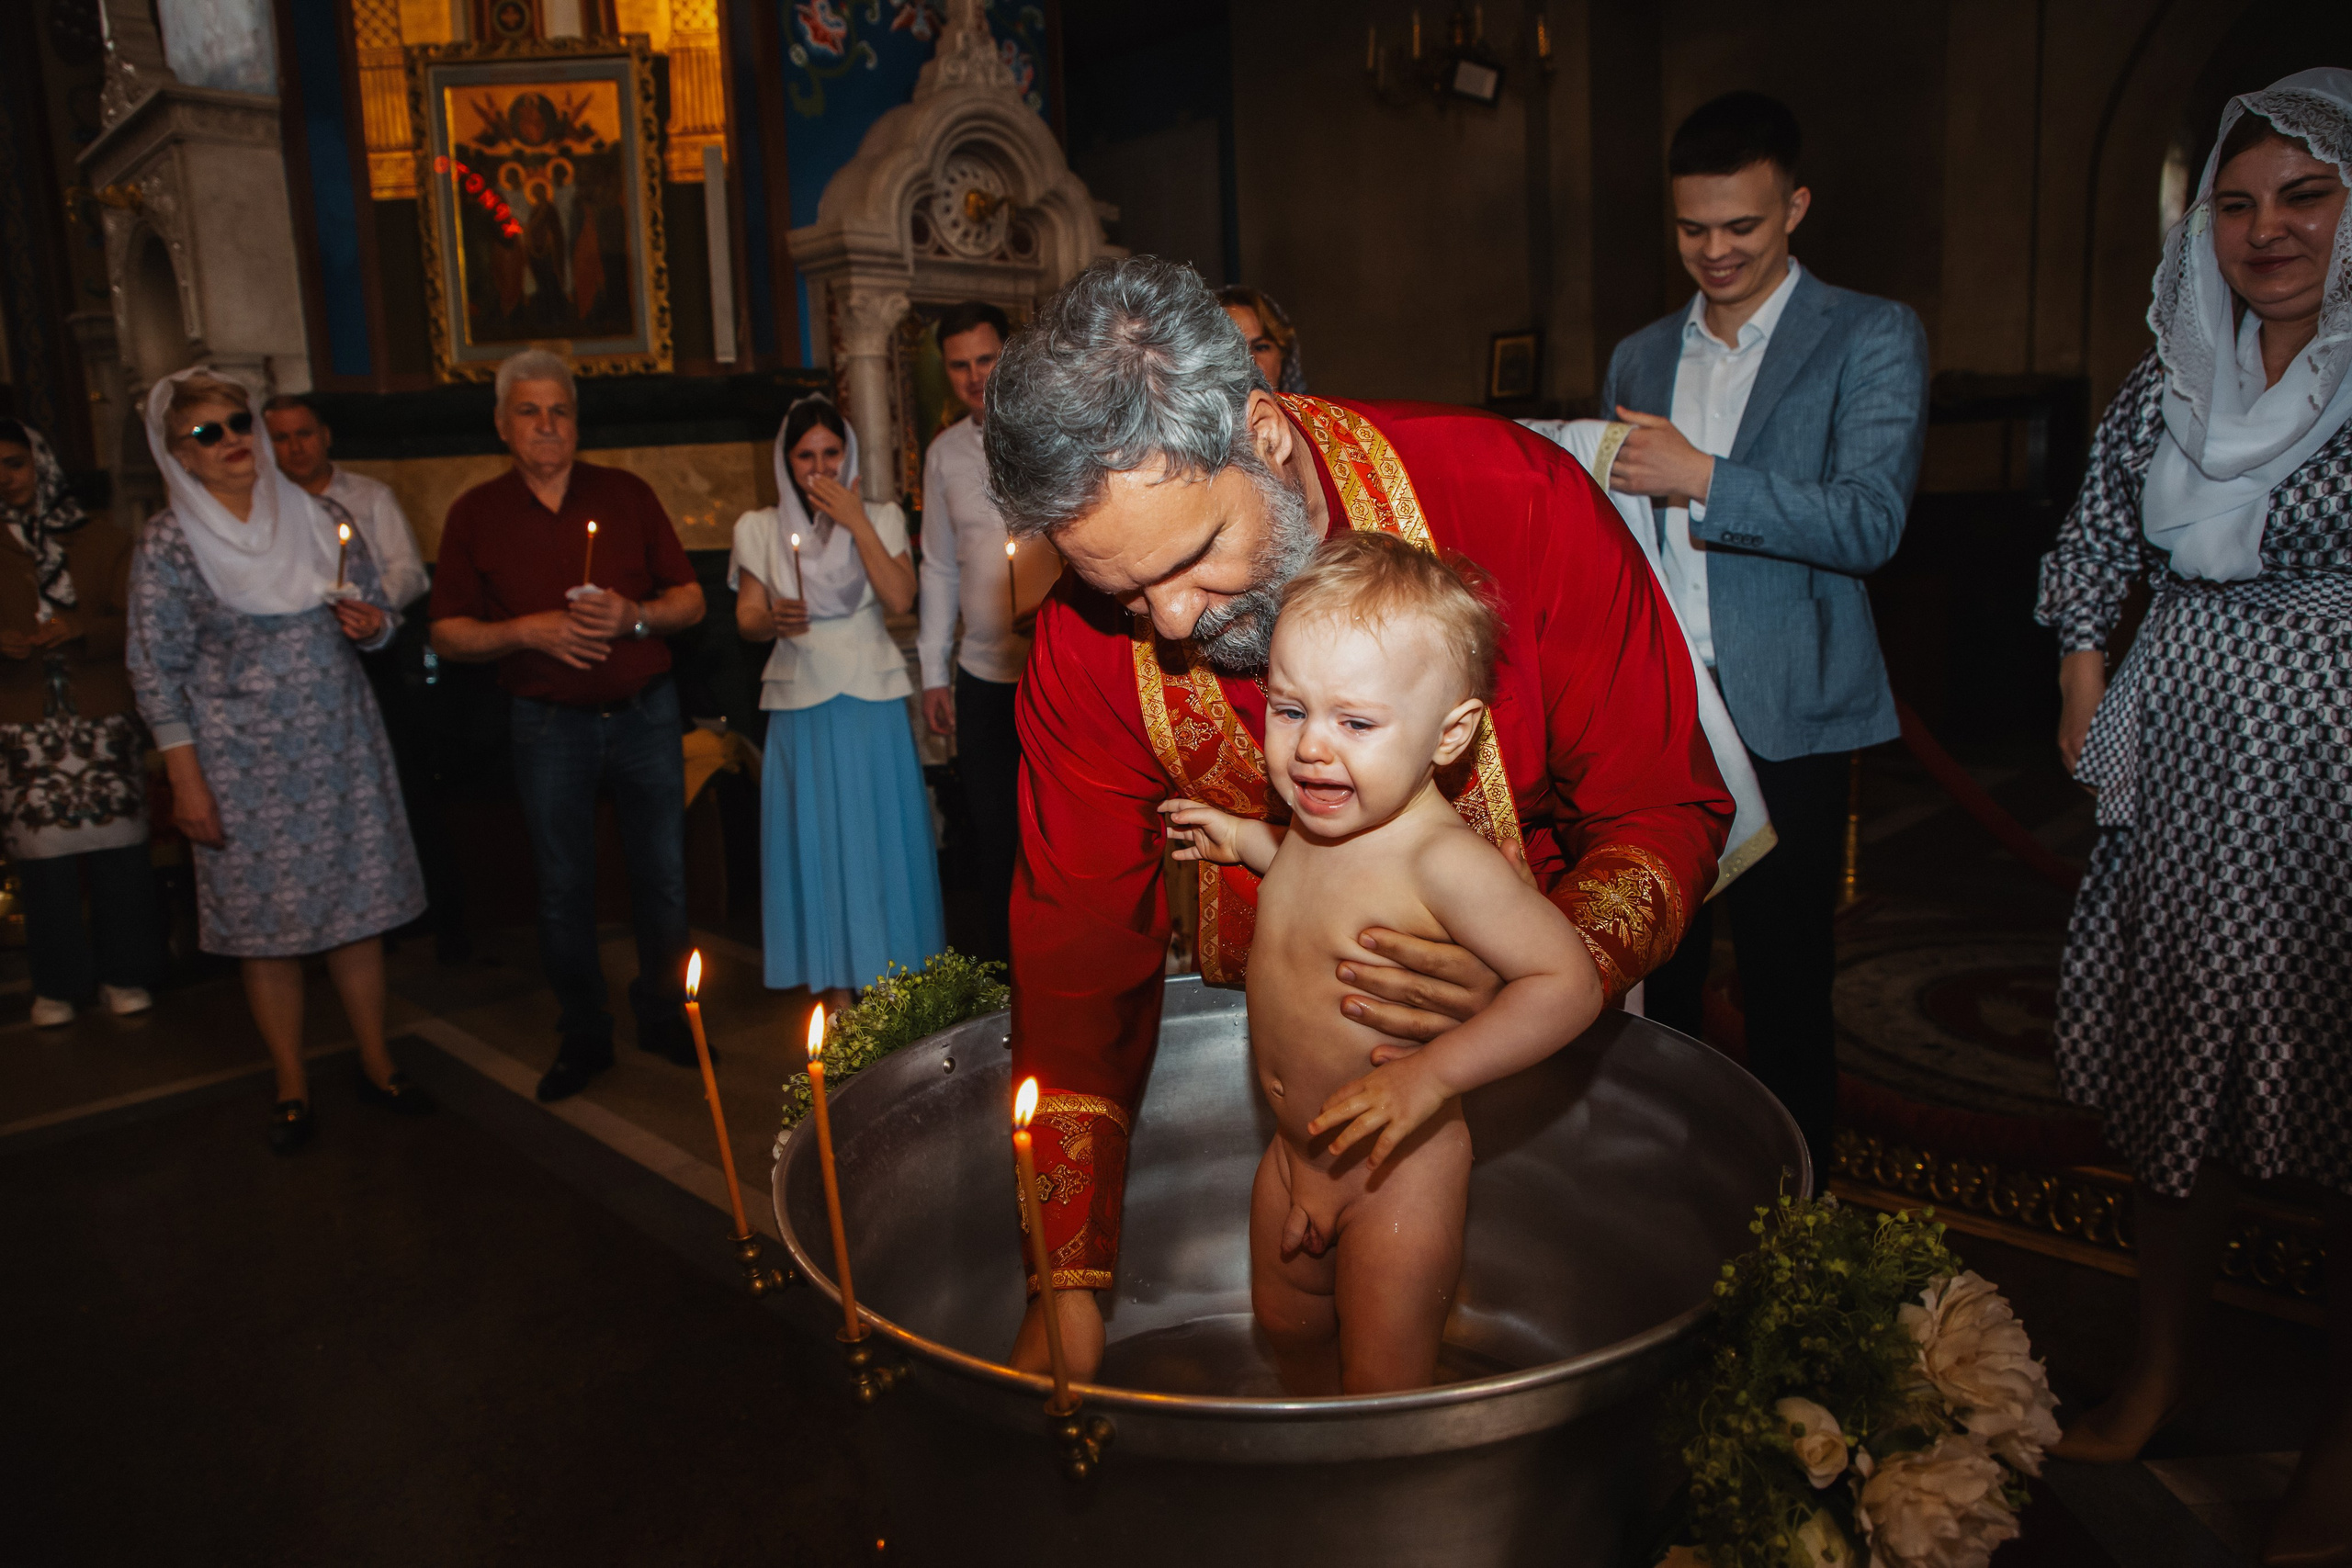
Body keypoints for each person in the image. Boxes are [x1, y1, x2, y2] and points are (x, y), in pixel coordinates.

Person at [984, 256, 1734, 1381]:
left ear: (1263, 432)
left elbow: (1662, 801)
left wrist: (1543, 966)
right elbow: (1075, 952)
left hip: (1523, 1061)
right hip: (1284, 1096)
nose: (1175, 622)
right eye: (1125, 592)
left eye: (1191, 558)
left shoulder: (1509, 503)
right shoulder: (1086, 648)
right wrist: (1070, 1277)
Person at [2036, 70, 2352, 1564]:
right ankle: (2159, 1370)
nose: (2267, 230)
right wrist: (2085, 673)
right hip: (2184, 742)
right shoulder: (2174, 373)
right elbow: (2098, 529)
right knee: (2180, 1064)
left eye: (2304, 195)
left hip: (2336, 750)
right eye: (2236, 202)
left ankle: (2341, 1451)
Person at [1162, 534, 1600, 1393]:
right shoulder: (1326, 820)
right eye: (1290, 711)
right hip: (1291, 1158)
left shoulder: (1441, 861)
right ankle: (1314, 1488)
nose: (1312, 749)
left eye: (1355, 722)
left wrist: (1431, 1075)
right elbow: (1309, 873)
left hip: (1398, 1178)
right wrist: (1250, 840)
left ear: (1450, 735)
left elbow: (1567, 983)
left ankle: (1390, 1510)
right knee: (1288, 1336)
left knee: (1383, 1382)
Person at [1598, 91, 1929, 1174]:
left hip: (1791, 706)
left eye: (1740, 226)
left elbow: (1869, 521)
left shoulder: (1869, 334)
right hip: (1664, 714)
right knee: (1664, 973)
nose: (1714, 251)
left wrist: (1703, 478)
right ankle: (1677, 1204)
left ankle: (1797, 1215)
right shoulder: (1639, 354)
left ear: (1793, 206)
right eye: (1692, 228)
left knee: (1787, 982)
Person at [126, 369, 430, 1153]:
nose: (233, 442)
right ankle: (291, 1079)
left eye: (238, 424)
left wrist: (372, 627)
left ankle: (377, 1058)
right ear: (180, 456)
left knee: (357, 913)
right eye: (209, 434)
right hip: (238, 761)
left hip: (338, 742)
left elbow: (376, 615)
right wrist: (184, 775)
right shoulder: (169, 544)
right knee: (267, 929)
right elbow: (154, 667)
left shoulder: (318, 514)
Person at [428, 349, 707, 1102]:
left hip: (646, 715)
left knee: (664, 877)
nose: (547, 424)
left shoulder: (626, 493)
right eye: (530, 410)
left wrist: (635, 614)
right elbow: (446, 633)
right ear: (501, 423)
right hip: (548, 725)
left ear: (577, 421)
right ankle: (585, 1026)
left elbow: (692, 600)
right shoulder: (475, 513)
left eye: (560, 410)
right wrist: (529, 630)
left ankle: (667, 1011)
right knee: (562, 886)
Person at [731, 397, 942, 1017]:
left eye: (831, 452)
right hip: (800, 695)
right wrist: (768, 617)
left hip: (870, 693)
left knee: (879, 836)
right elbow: (744, 615)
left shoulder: (878, 513)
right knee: (818, 840)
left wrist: (857, 521)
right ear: (786, 460)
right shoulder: (759, 527)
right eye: (805, 456)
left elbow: (901, 597)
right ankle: (837, 989)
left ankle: (894, 978)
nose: (819, 467)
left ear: (847, 452)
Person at [262, 394, 468, 961]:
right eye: (279, 438)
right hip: (299, 673)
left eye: (303, 433)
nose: (295, 447)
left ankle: (427, 918)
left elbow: (407, 571)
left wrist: (368, 605)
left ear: (325, 435)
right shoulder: (263, 509)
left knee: (401, 783)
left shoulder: (369, 497)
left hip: (375, 660)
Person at [0, 420, 164, 1025]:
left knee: (119, 853)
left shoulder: (103, 539)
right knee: (42, 863)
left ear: (40, 464)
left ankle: (126, 973)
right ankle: (58, 984)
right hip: (22, 722)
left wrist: (82, 630)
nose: (6, 478)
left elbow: (143, 623)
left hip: (100, 717)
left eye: (15, 463)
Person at [917, 300, 1047, 963]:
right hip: (983, 677)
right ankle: (1007, 986)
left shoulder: (1056, 432)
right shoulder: (943, 455)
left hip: (1054, 673)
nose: (974, 376)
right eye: (959, 365)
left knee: (1058, 836)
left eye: (986, 359)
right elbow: (939, 567)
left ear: (1011, 353)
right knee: (996, 839)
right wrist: (933, 669)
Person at [1217, 285, 1309, 394]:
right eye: (1233, 349)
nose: (1249, 360)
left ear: (1283, 356)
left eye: (1260, 347)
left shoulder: (1321, 410)